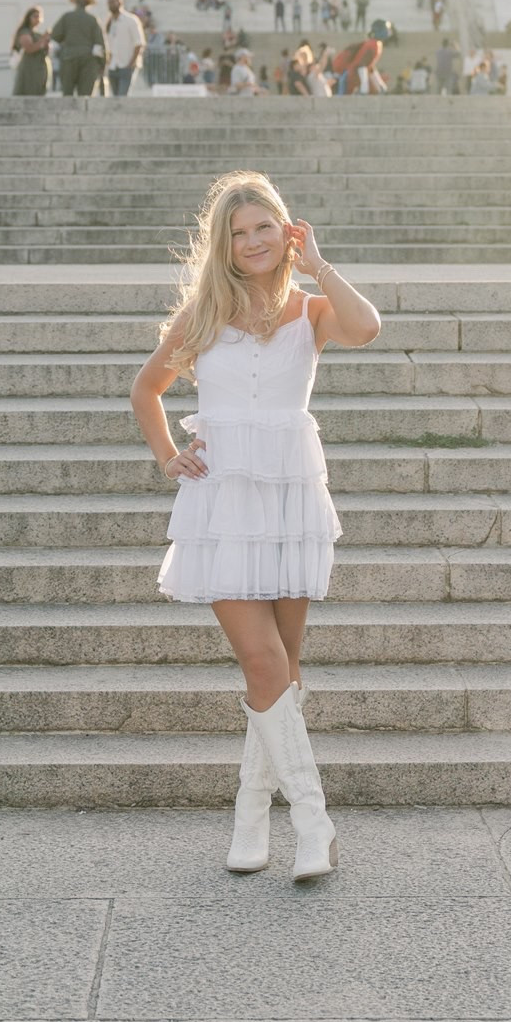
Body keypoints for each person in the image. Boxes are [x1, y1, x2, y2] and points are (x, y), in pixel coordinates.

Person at [129, 172, 381, 881]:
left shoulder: (312, 310)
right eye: (237, 233)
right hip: (222, 505)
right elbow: (145, 389)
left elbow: (366, 328)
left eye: (263, 227)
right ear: (224, 244)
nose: (251, 241)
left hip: (290, 500)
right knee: (264, 663)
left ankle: (249, 815)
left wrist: (319, 265)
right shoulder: (204, 314)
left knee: (284, 670)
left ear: (286, 229)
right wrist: (170, 456)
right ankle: (313, 824)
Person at [50, 0, 105, 98]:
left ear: (75, 3)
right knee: (85, 95)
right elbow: (99, 44)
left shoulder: (66, 17)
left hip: (68, 58)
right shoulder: (92, 19)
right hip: (88, 60)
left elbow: (55, 36)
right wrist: (102, 63)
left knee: (67, 94)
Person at [104, 0, 145, 97]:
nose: (111, 4)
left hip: (126, 64)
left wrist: (131, 63)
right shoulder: (110, 23)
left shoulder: (131, 20)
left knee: (123, 96)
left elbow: (139, 43)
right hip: (113, 66)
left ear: (120, 3)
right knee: (115, 97)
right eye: (109, 3)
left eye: (113, 2)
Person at [11, 7, 50, 97]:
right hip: (30, 69)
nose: (38, 19)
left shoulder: (36, 33)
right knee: (28, 93)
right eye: (35, 16)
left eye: (39, 17)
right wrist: (43, 40)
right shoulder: (25, 32)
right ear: (28, 18)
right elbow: (29, 48)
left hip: (39, 69)